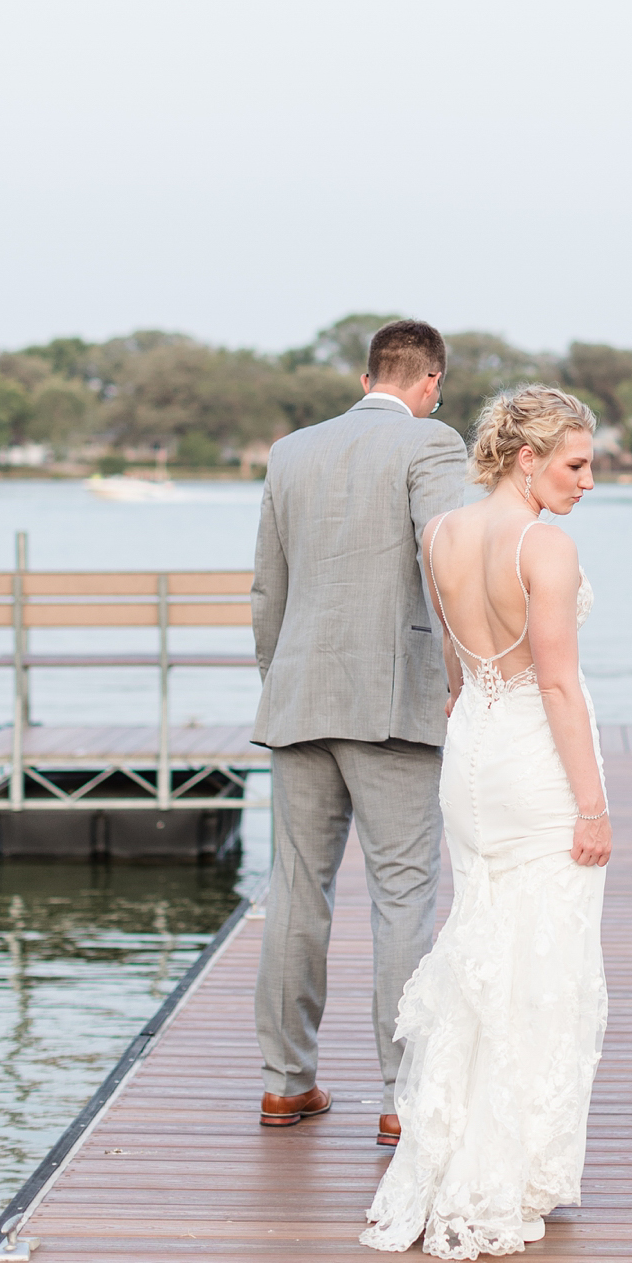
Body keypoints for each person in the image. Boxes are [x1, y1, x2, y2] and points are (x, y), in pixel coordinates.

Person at [360, 384, 610, 1261]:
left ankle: (454, 1148)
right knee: (544, 960)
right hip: (534, 765)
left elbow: (461, 675)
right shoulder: (545, 545)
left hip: (470, 755)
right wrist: (592, 804)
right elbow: (556, 685)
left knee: (483, 941)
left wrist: (475, 736)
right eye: (576, 465)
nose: (588, 481)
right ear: (527, 459)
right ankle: (511, 1169)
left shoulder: (443, 534)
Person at [250, 317, 467, 1142]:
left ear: (369, 372)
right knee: (403, 899)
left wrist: (281, 681)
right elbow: (446, 556)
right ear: (429, 382)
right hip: (392, 699)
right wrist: (462, 675)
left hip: (300, 696)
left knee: (296, 893)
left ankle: (285, 1083)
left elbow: (267, 588)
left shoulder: (291, 451)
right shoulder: (431, 444)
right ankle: (401, 1096)